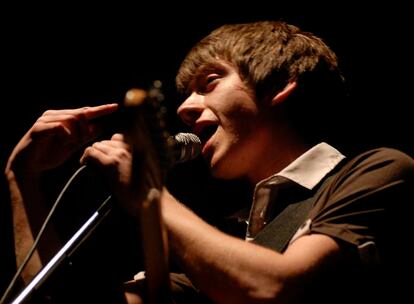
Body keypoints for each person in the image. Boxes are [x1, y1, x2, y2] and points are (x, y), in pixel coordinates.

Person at [4, 20, 414, 303]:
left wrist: (150, 194)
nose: (185, 107)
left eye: (209, 83)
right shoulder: (227, 242)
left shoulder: (378, 170)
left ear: (279, 86)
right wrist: (22, 179)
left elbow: (274, 290)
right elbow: (58, 301)